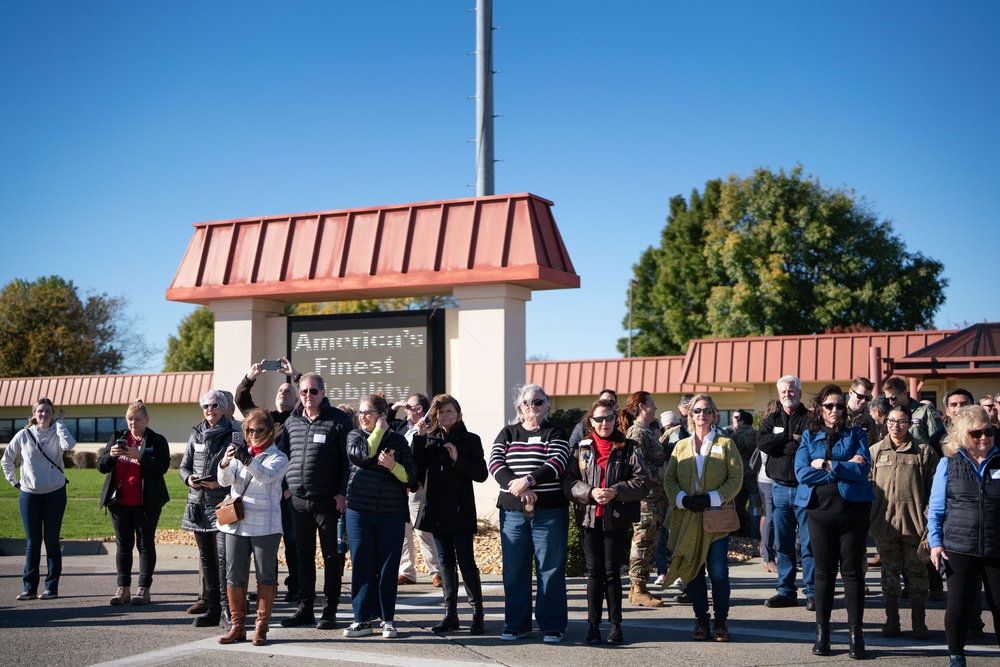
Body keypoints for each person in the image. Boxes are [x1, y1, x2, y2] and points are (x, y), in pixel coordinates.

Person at [795, 384, 874, 659]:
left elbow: (863, 469)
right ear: (820, 409)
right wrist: (842, 469)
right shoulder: (809, 435)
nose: (835, 410)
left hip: (853, 510)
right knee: (824, 572)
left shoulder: (855, 434)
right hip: (818, 511)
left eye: (840, 405)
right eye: (829, 406)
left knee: (852, 573)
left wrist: (827, 465)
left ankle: (856, 635)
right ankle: (823, 634)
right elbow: (802, 473)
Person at [564, 398, 650, 645]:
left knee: (612, 574)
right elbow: (569, 482)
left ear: (616, 419)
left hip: (616, 518)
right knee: (594, 574)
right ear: (591, 421)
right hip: (589, 518)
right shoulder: (582, 448)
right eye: (599, 419)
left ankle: (615, 627)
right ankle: (593, 627)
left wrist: (615, 491)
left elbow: (642, 482)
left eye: (609, 418)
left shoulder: (628, 447)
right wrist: (590, 492)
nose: (605, 423)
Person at [489, 384, 571, 643]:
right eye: (527, 403)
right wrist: (518, 486)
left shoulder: (555, 431)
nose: (532, 407)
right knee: (514, 569)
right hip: (513, 512)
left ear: (547, 404)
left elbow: (557, 462)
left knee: (550, 568)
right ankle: (516, 624)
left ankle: (552, 625)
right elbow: (495, 462)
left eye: (538, 402)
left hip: (549, 512)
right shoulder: (508, 432)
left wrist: (529, 481)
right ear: (520, 407)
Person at [664, 393, 743, 642]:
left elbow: (736, 478)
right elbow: (670, 479)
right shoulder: (680, 446)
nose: (701, 415)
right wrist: (682, 499)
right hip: (688, 516)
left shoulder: (725, 443)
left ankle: (721, 620)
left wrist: (712, 498)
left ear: (714, 414)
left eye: (706, 410)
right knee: (693, 569)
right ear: (689, 414)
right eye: (697, 410)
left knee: (718, 571)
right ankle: (701, 618)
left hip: (716, 517)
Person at [928, 406, 1000, 667]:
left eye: (989, 430)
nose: (984, 437)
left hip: (996, 545)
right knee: (959, 605)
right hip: (959, 546)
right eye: (977, 432)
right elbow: (936, 508)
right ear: (962, 434)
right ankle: (956, 654)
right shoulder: (948, 463)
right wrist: (935, 543)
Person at [411, 394, 489, 634]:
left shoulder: (470, 440)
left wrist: (458, 459)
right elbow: (416, 469)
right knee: (445, 563)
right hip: (436, 509)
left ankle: (477, 615)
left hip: (460, 510)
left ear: (459, 415)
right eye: (441, 412)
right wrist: (420, 438)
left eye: (449, 411)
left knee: (466, 561)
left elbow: (481, 473)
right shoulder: (430, 439)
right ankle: (450, 615)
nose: (445, 416)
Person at [281, 372, 354, 630]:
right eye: (303, 392)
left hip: (328, 502)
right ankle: (305, 608)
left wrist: (342, 493)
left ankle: (330, 611)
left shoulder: (339, 420)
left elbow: (348, 461)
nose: (308, 396)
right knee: (303, 556)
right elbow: (282, 454)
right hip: (298, 501)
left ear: (323, 392)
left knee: (332, 556)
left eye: (313, 391)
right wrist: (286, 488)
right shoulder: (293, 420)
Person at [342, 393, 416, 639]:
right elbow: (362, 457)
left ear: (381, 416)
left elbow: (413, 479)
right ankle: (362, 620)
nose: (362, 416)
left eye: (368, 413)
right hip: (359, 511)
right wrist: (377, 434)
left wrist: (393, 466)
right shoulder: (354, 436)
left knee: (387, 567)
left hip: (390, 512)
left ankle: (387, 620)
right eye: (360, 412)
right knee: (362, 563)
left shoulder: (399, 441)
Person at [216, 408, 290, 646]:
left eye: (259, 430)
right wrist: (226, 462)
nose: (254, 434)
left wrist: (246, 459)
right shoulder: (240, 453)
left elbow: (267, 477)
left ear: (269, 431)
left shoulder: (279, 457)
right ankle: (237, 626)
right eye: (250, 430)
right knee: (234, 575)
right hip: (236, 524)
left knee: (265, 575)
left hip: (265, 526)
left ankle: (261, 626)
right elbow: (224, 482)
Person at [868, 403, 939, 639]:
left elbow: (934, 490)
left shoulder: (924, 452)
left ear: (909, 423)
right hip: (885, 527)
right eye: (891, 421)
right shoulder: (875, 451)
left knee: (918, 578)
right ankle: (892, 622)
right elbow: (867, 487)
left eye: (900, 421)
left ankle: (919, 623)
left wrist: (929, 521)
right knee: (889, 577)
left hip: (916, 527)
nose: (895, 426)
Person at [234, 358, 301, 602]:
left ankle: (296, 586)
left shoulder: (298, 419)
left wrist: (295, 375)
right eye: (280, 390)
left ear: (297, 400)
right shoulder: (266, 420)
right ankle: (267, 584)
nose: (284, 392)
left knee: (292, 543)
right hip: (261, 491)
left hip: (287, 492)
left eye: (289, 391)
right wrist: (251, 376)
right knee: (265, 544)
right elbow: (241, 400)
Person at [97, 399, 170, 606]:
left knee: (145, 545)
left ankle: (143, 589)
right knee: (123, 546)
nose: (133, 423)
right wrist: (111, 456)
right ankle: (123, 589)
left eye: (137, 419)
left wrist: (140, 457)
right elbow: (101, 467)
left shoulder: (157, 440)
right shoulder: (118, 438)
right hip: (119, 503)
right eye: (129, 419)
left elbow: (162, 467)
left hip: (146, 502)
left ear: (146, 419)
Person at [2, 397, 76, 601]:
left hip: (55, 493)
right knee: (32, 543)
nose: (44, 414)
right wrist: (14, 482)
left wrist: (60, 423)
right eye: (40, 411)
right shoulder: (24, 435)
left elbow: (69, 445)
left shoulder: (57, 432)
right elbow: (6, 458)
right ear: (34, 414)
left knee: (52, 541)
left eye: (48, 411)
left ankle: (51, 588)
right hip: (29, 495)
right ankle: (29, 588)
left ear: (53, 414)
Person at [757, 375, 814, 609]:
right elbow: (763, 443)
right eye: (783, 392)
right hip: (779, 488)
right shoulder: (771, 419)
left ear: (799, 393)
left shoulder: (811, 418)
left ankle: (812, 592)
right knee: (784, 544)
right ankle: (786, 591)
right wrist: (790, 438)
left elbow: (811, 445)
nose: (787, 395)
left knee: (810, 545)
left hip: (806, 489)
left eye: (791, 391)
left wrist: (779, 444)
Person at [179, 389, 235, 628]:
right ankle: (212, 608)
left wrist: (219, 483)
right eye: (205, 406)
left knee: (224, 559)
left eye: (214, 406)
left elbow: (239, 470)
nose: (209, 410)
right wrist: (188, 478)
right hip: (198, 505)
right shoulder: (196, 433)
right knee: (206, 560)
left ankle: (227, 610)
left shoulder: (233, 433)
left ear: (223, 408)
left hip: (222, 503)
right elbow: (183, 466)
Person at [389, 392, 441, 587]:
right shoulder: (403, 426)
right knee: (402, 532)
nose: (405, 410)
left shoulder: (430, 429)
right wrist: (392, 409)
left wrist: (416, 481)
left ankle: (436, 571)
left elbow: (425, 458)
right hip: (398, 485)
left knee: (422, 530)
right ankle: (406, 571)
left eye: (408, 407)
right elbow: (387, 426)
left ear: (420, 409)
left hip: (417, 486)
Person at [620, 391, 667, 607]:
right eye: (652, 404)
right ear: (641, 407)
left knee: (651, 541)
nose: (655, 408)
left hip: (655, 498)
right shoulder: (637, 432)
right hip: (645, 499)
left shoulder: (647, 431)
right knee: (643, 540)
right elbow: (636, 466)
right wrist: (662, 472)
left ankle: (639, 587)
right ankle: (637, 587)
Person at [882, 376, 941, 445]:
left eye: (893, 398)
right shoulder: (889, 414)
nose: (890, 402)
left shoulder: (925, 411)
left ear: (904, 393)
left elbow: (937, 439)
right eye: (887, 399)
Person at [758, 400, 780, 573]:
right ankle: (768, 558)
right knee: (771, 518)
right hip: (769, 480)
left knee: (768, 516)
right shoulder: (770, 431)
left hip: (769, 480)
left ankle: (767, 553)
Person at [730, 409, 758, 537]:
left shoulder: (735, 436)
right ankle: (754, 530)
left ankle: (740, 529)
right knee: (755, 503)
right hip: (754, 471)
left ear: (742, 421)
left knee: (738, 503)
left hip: (739, 471)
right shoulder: (757, 434)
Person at [846, 377, 877, 442]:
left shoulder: (870, 421)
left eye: (867, 398)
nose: (863, 401)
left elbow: (874, 447)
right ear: (850, 393)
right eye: (860, 396)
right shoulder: (837, 414)